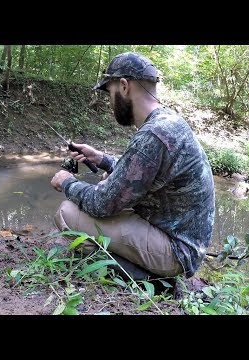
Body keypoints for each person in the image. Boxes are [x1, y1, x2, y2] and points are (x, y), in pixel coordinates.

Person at [50, 52, 215, 281]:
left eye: (110, 92)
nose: (110, 101)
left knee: (66, 212)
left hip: (177, 253)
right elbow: (141, 176)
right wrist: (102, 159)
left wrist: (67, 182)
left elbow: (102, 204)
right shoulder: (167, 121)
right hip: (184, 242)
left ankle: (149, 280)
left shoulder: (153, 135)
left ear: (125, 86)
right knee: (106, 183)